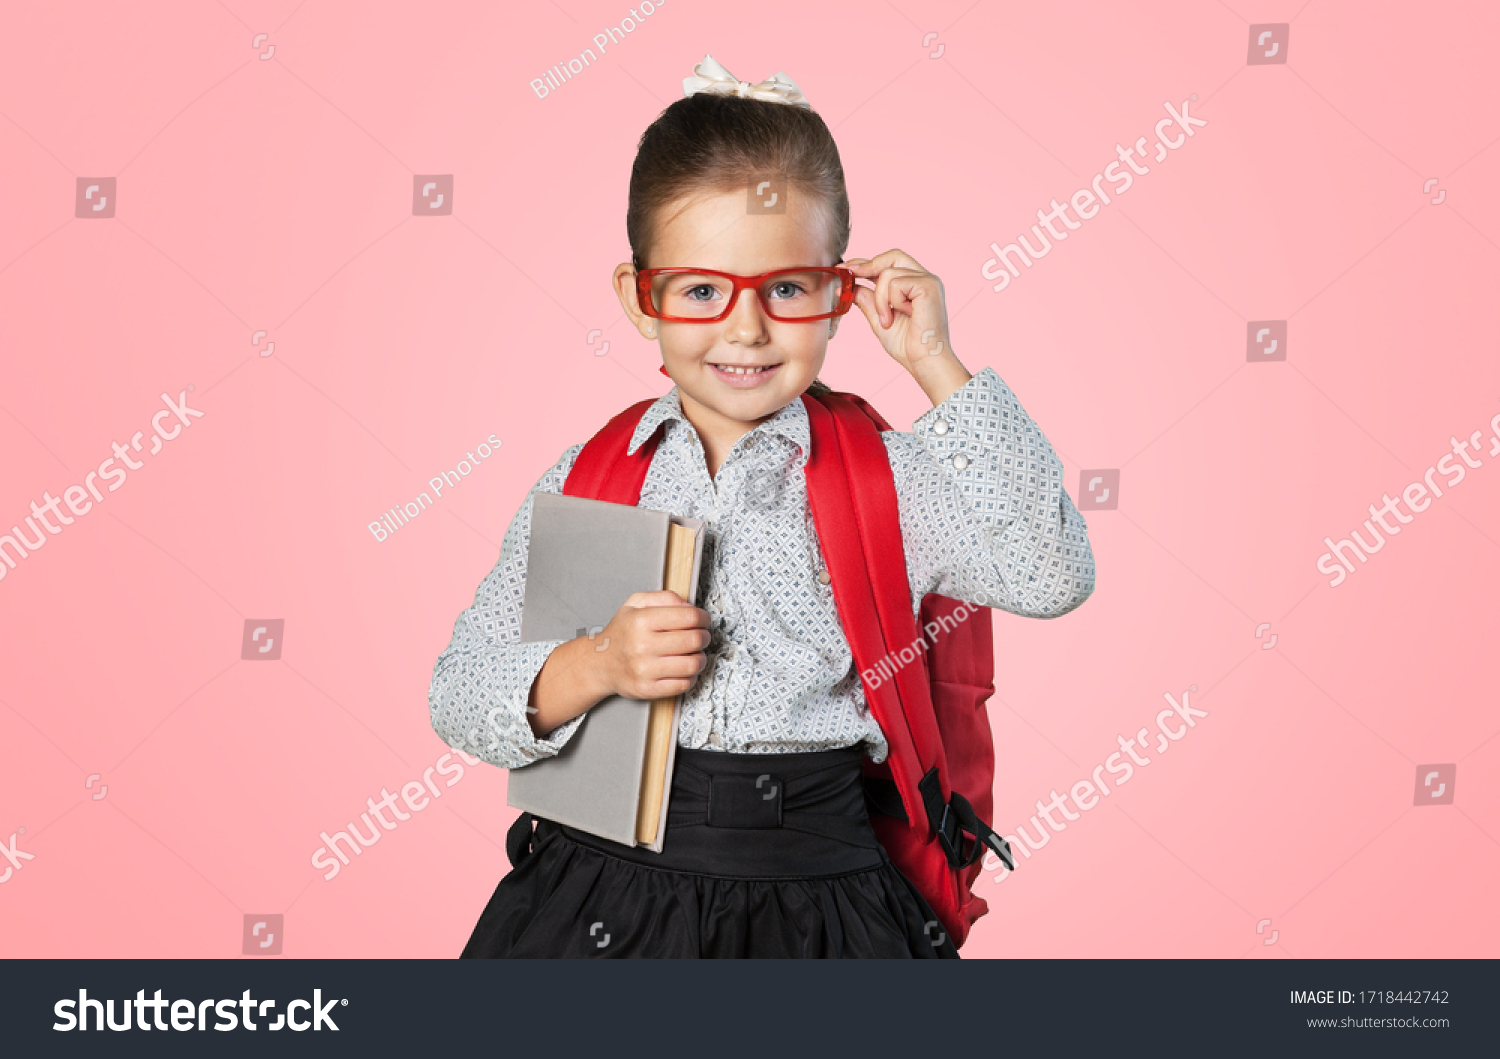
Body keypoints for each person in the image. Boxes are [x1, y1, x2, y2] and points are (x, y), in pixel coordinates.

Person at [428, 54, 1096, 958]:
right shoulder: (588, 473)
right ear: (642, 299)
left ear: (838, 295)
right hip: (597, 888)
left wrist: (937, 362)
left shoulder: (886, 477)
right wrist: (596, 663)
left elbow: (1052, 573)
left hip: (818, 899)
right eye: (703, 290)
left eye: (785, 289)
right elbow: (458, 696)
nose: (747, 329)